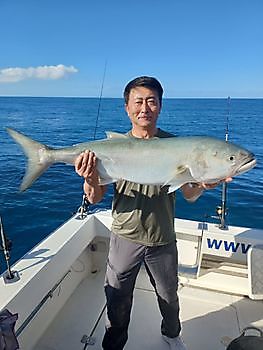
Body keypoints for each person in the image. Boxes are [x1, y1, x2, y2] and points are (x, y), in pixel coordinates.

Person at [75, 76, 232, 350]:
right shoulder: (112, 147)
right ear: (127, 107)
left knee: (169, 296)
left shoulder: (178, 145)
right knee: (117, 298)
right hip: (125, 235)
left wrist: (202, 184)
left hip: (162, 237)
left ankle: (171, 336)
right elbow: (95, 197)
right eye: (138, 101)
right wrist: (90, 178)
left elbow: (189, 195)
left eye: (151, 101)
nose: (144, 108)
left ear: (160, 106)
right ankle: (113, 344)